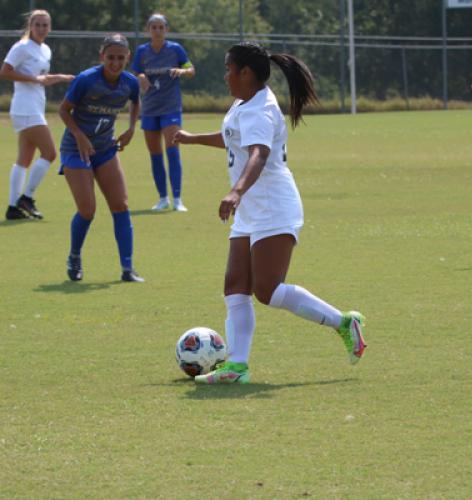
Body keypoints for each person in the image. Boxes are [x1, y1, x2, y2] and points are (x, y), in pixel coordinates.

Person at [173, 42, 366, 384]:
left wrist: (235, 191)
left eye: (228, 68)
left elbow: (259, 154)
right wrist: (192, 139)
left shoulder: (261, 108)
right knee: (235, 287)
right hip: (251, 208)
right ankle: (237, 367)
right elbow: (233, 137)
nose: (225, 75)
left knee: (267, 291)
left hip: (274, 206)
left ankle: (343, 322)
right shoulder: (244, 103)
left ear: (246, 73)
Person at [58, 34, 144, 283]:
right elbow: (63, 110)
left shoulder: (130, 82)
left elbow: (135, 102)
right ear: (101, 57)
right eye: (111, 57)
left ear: (127, 57)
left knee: (121, 205)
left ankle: (127, 269)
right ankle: (74, 256)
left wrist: (130, 128)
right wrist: (79, 136)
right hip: (76, 150)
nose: (115, 63)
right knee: (87, 210)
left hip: (105, 149)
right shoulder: (86, 80)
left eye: (120, 58)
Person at [0, 9, 74, 220]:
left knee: (24, 159)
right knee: (50, 153)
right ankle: (27, 198)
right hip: (25, 108)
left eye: (45, 25)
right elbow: (4, 72)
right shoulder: (21, 47)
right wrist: (34, 80)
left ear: (49, 27)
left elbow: (41, 77)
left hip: (34, 107)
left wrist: (61, 77)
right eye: (37, 24)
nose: (41, 28)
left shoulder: (45, 49)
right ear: (30, 26)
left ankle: (13, 208)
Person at [131, 13, 195, 212]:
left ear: (166, 30)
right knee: (155, 154)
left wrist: (183, 71)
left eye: (161, 27)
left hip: (170, 107)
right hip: (149, 108)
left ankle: (177, 199)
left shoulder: (175, 50)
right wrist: (141, 76)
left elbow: (190, 68)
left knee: (173, 150)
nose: (157, 31)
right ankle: (162, 198)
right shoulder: (142, 51)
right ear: (148, 30)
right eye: (154, 27)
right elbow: (135, 71)